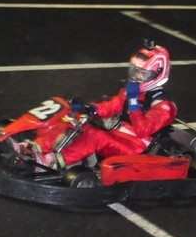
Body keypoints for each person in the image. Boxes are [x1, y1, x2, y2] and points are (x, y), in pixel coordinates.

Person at [26, 41, 178, 169]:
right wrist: (89, 108)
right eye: (135, 71)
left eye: (142, 74)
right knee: (74, 119)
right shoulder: (133, 92)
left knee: (95, 136)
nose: (136, 76)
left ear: (158, 74)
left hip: (137, 148)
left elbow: (142, 129)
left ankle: (52, 162)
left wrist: (133, 102)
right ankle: (35, 147)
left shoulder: (164, 105)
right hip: (118, 134)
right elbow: (112, 106)